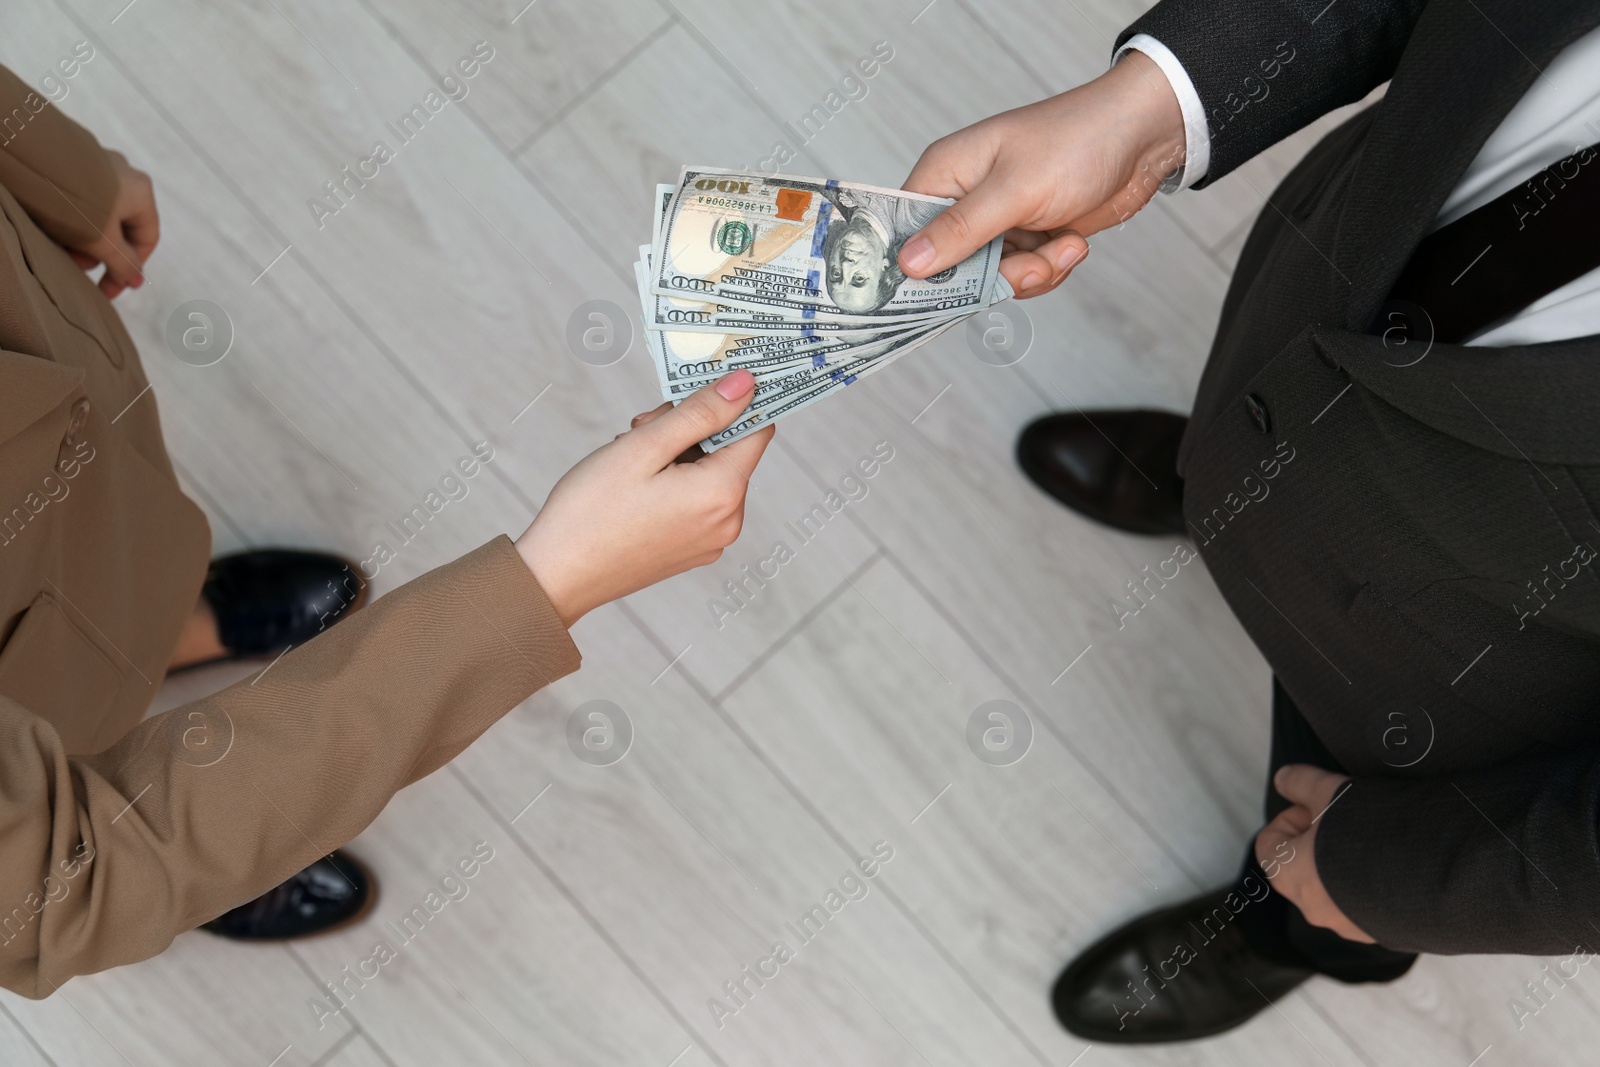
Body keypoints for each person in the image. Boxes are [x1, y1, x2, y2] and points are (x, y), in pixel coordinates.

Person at [898, 0, 1600, 1044]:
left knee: (1322, 826)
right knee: (1252, 437)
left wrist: (1376, 878)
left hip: (1467, 658)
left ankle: (1286, 933)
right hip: (1338, 280)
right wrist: (1158, 100)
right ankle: (1213, 477)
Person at [0, 64, 773, 997]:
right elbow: (64, 883)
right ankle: (210, 866)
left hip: (43, 374)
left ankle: (168, 623)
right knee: (117, 808)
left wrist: (51, 169)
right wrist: (545, 585)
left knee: (121, 540)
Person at [819, 185, 945, 313]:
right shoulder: (913, 218)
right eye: (858, 278)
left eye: (836, 274)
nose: (845, 265)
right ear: (886, 267)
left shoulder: (836, 201)